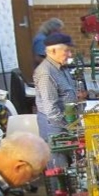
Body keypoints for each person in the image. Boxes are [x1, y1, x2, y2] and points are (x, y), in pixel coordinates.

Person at [33, 32, 83, 168]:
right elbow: (51, 110)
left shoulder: (61, 67)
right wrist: (72, 127)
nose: (70, 55)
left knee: (70, 165)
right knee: (59, 168)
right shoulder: (46, 73)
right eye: (66, 51)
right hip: (55, 127)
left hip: (65, 123)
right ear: (53, 51)